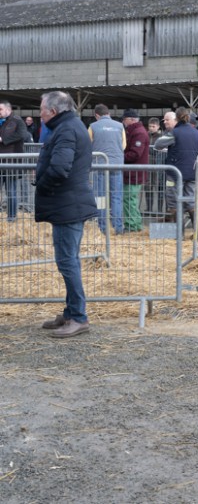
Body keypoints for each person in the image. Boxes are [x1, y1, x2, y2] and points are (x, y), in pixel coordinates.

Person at [35, 91, 98, 339]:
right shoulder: (70, 126)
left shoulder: (66, 129)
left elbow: (60, 168)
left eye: (41, 109)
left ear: (53, 111)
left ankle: (79, 318)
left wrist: (43, 184)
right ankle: (71, 312)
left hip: (67, 205)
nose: (40, 113)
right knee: (69, 260)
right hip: (69, 203)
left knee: (67, 262)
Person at [153, 108, 198, 224]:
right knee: (191, 201)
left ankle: (179, 233)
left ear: (177, 118)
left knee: (173, 200)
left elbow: (158, 144)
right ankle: (197, 231)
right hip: (193, 172)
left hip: (175, 173)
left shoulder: (175, 132)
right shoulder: (197, 133)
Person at [89, 104, 126, 235]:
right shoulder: (120, 126)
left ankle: (102, 228)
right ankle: (118, 228)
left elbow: (88, 145)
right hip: (116, 165)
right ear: (108, 113)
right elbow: (123, 145)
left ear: (97, 115)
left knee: (100, 197)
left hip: (99, 165)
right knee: (116, 196)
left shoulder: (93, 126)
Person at [121, 109, 149, 232]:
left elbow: (135, 154)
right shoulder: (136, 131)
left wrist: (119, 158)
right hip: (133, 172)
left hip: (134, 172)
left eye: (124, 119)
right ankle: (136, 224)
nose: (123, 121)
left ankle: (132, 225)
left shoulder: (139, 133)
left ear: (131, 119)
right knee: (131, 199)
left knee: (129, 199)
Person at [0, 100, 27, 222]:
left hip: (12, 162)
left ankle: (11, 217)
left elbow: (22, 135)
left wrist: (3, 139)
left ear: (8, 109)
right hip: (1, 162)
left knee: (11, 190)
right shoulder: (1, 121)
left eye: (0, 109)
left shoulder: (17, 121)